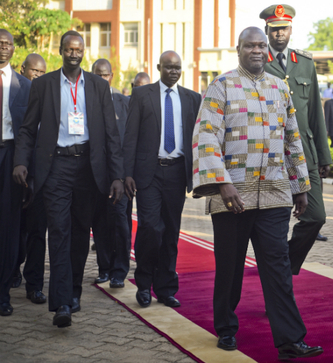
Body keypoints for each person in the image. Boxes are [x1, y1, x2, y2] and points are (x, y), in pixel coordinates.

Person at [192, 27, 323, 360]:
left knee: (278, 268)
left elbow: (293, 138)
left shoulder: (280, 88)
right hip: (233, 197)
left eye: (261, 46)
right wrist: (223, 184)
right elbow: (205, 137)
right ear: (238, 50)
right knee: (230, 268)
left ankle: (290, 340)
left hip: (276, 194)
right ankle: (225, 327)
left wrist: (301, 186)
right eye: (250, 45)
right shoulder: (221, 86)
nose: (256, 50)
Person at [13, 30, 124, 328]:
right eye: (69, 48)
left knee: (78, 234)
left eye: (79, 49)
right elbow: (27, 129)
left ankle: (73, 293)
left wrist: (117, 176)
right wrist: (21, 161)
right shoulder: (44, 85)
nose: (74, 53)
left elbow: (112, 136)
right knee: (59, 232)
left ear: (84, 52)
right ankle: (61, 302)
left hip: (89, 168)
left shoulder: (99, 87)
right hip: (56, 168)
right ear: (60, 51)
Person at [123, 51, 201, 309]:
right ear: (159, 68)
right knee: (150, 229)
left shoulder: (192, 99)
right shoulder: (142, 95)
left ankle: (166, 288)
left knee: (170, 231)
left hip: (177, 173)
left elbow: (198, 140)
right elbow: (131, 136)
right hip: (149, 173)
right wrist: (128, 173)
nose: (174, 72)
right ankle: (144, 284)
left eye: (178, 67)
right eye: (169, 67)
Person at [261, 4, 332, 257]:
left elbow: (315, 113)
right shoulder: (259, 62)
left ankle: (287, 264)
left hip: (306, 153)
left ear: (291, 29)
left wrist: (324, 157)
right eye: (274, 29)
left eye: (284, 28)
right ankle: (279, 273)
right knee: (277, 225)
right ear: (266, 31)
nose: (280, 33)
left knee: (316, 217)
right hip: (274, 155)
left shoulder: (304, 63)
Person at [90, 59, 132, 289]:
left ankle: (119, 271)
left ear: (111, 76)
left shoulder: (123, 102)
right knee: (99, 223)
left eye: (105, 75)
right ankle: (104, 269)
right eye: (98, 74)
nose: (102, 78)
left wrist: (128, 174)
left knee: (120, 223)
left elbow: (131, 140)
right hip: (95, 175)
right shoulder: (86, 101)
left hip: (121, 175)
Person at [0, 29, 32, 317]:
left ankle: (3, 293)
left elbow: (29, 131)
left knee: (9, 227)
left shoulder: (24, 86)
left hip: (12, 158)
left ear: (13, 49)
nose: (3, 48)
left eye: (8, 44)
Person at [11, 53, 47, 305]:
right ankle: (12, 271)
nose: (37, 75)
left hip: (40, 177)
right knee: (14, 230)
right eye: (34, 70)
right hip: (14, 174)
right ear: (23, 69)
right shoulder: (13, 93)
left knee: (36, 231)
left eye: (42, 72)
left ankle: (34, 285)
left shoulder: (49, 97)